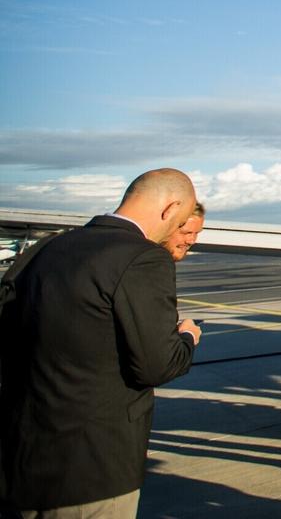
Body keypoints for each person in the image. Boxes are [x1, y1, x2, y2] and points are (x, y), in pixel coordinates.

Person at [0, 168, 202, 518]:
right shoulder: (143, 258)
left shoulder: (47, 247)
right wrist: (187, 336)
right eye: (181, 222)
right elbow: (159, 364)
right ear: (170, 209)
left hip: (19, 467)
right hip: (91, 474)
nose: (178, 233)